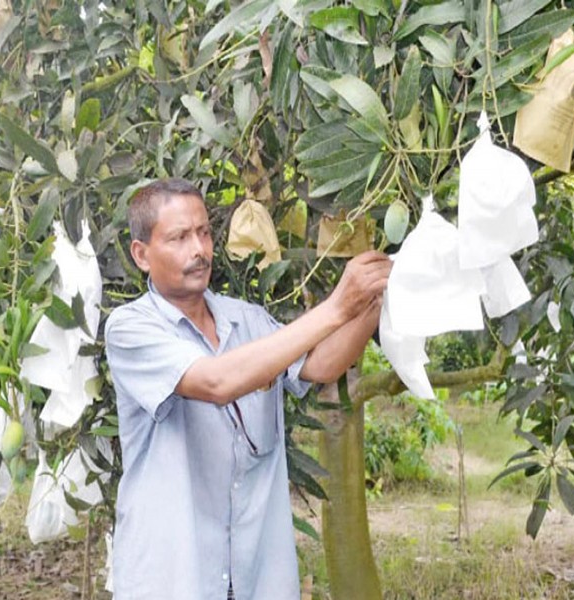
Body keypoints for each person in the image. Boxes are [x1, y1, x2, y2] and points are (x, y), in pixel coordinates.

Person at [104, 178, 391, 599]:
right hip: (172, 579)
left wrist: (372, 302)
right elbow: (217, 382)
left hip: (257, 577)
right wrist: (336, 306)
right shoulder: (129, 329)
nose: (199, 249)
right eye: (180, 237)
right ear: (141, 254)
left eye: (204, 232)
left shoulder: (247, 320)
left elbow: (322, 364)